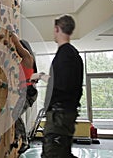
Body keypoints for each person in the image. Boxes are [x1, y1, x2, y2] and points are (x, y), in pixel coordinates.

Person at [41, 14, 84, 158]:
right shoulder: (73, 55)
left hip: (59, 117)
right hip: (64, 115)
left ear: (57, 29)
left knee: (53, 154)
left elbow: (60, 84)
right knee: (62, 153)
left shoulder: (66, 55)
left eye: (54, 30)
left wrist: (41, 76)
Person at [9, 29, 38, 155]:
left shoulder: (27, 57)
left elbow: (17, 44)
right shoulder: (23, 62)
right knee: (14, 114)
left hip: (28, 92)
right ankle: (16, 138)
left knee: (15, 113)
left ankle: (25, 141)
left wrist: (12, 33)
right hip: (24, 92)